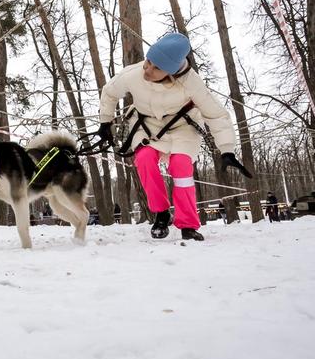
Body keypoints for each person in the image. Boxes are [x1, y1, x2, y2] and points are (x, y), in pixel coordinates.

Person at [98, 33, 251, 241]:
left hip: (181, 127)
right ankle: (161, 213)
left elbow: (216, 114)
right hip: (146, 124)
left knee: (181, 166)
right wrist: (105, 122)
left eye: (156, 68)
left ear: (171, 73)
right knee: (144, 159)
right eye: (148, 62)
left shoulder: (191, 83)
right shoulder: (133, 73)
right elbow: (109, 92)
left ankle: (188, 224)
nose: (147, 70)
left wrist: (227, 149)